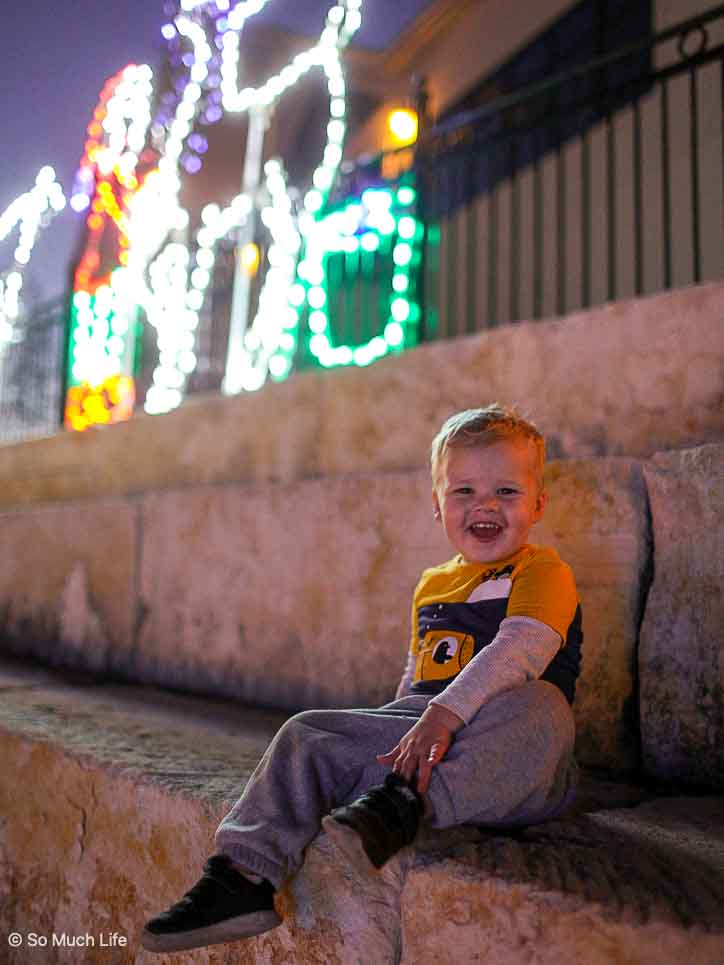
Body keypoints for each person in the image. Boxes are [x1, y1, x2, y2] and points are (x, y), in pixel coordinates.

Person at [141, 404, 583, 954]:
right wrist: (392, 737)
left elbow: (523, 648)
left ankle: (402, 805)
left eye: (507, 492)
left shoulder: (543, 571)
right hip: (427, 736)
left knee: (542, 707)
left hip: (514, 759)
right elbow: (414, 679)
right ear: (436, 505)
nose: (485, 505)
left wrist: (441, 717)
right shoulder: (433, 584)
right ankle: (241, 876)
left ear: (539, 504)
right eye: (463, 491)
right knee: (308, 733)